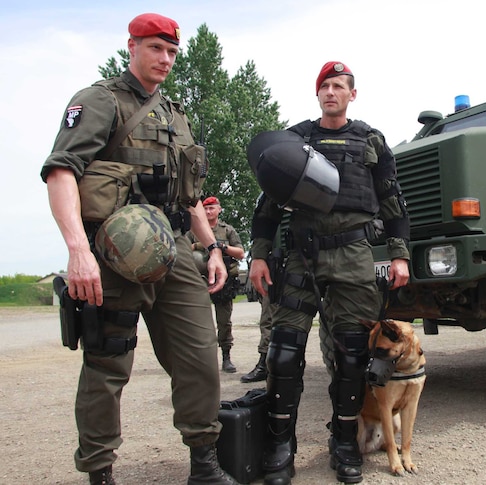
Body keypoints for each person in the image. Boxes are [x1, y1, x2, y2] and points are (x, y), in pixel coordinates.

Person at [40, 13, 238, 485]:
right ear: (132, 46)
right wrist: (77, 251)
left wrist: (211, 248)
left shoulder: (176, 115)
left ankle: (204, 466)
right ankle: (100, 472)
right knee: (107, 366)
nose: (165, 59)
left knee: (199, 360)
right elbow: (61, 171)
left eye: (171, 52)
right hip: (115, 255)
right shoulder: (99, 101)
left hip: (175, 252)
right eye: (155, 48)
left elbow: (188, 198)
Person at [247, 61, 411, 484]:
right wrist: (260, 255)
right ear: (317, 93)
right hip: (301, 253)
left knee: (354, 356)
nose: (330, 92)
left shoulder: (371, 140)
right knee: (283, 353)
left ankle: (343, 443)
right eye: (324, 86)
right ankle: (281, 446)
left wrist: (400, 254)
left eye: (338, 86)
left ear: (352, 94)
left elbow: (393, 203)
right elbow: (267, 206)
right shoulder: (297, 139)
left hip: (353, 255)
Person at [189, 196, 246, 373]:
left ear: (219, 209)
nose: (208, 212)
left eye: (212, 208)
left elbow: (240, 253)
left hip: (225, 280)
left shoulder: (227, 230)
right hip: (199, 279)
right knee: (197, 321)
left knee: (224, 321)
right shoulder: (194, 230)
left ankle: (226, 357)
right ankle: (201, 359)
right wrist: (203, 244)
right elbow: (185, 248)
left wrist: (221, 247)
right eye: (205, 209)